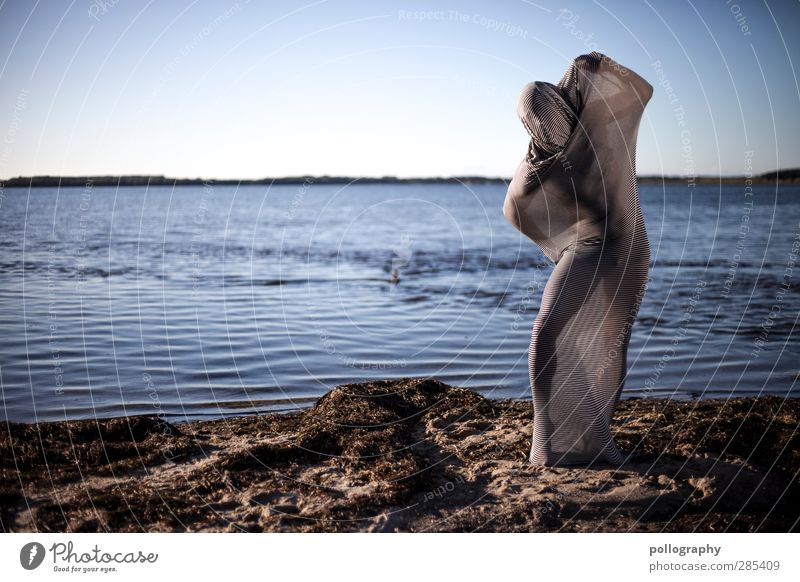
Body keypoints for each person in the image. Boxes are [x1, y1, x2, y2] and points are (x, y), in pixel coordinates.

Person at [503, 52, 653, 466]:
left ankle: (563, 447)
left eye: (552, 113)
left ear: (567, 105)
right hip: (593, 249)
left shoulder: (601, 141)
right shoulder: (542, 160)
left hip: (617, 251)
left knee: (551, 338)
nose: (547, 126)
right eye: (537, 120)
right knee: (581, 341)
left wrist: (585, 65)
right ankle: (579, 442)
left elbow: (636, 91)